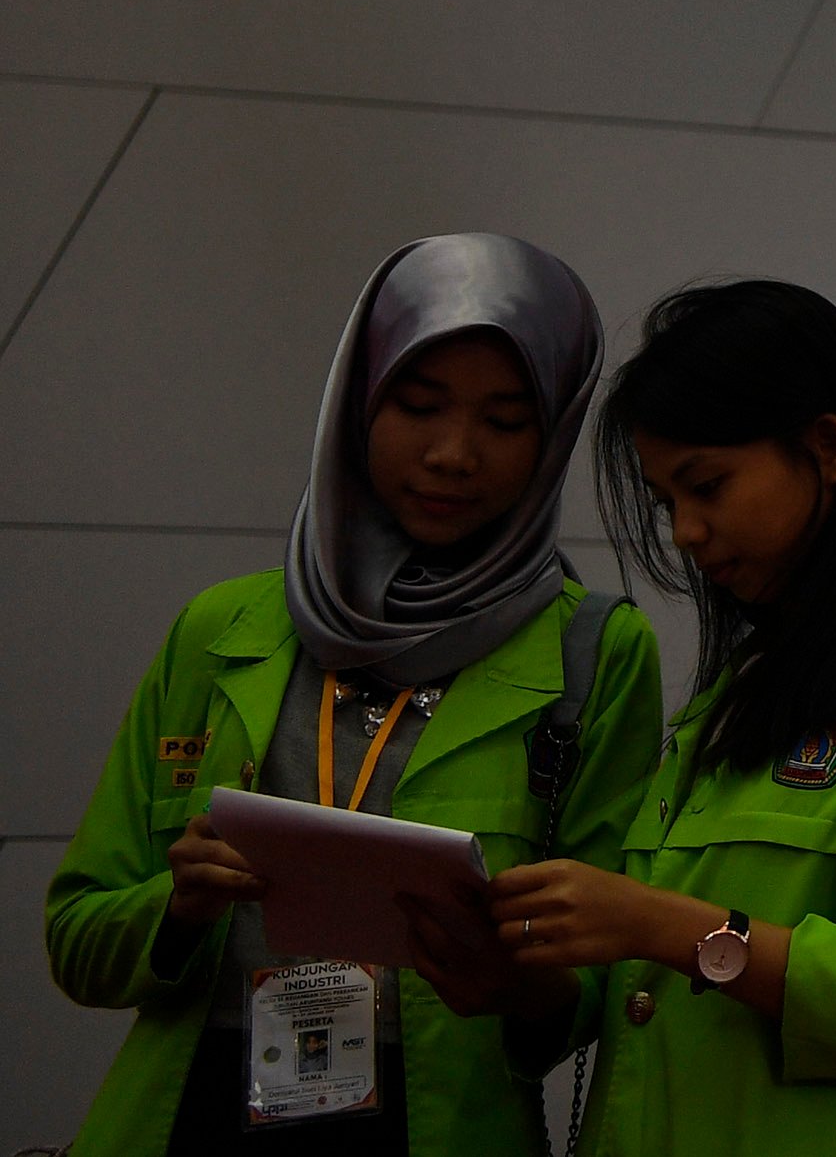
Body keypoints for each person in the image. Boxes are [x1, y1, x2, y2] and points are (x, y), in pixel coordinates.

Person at [45, 235, 664, 1155]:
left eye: (505, 421)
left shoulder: (596, 652)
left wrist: (511, 979)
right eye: (417, 406)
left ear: (555, 437)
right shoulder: (221, 629)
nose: (453, 454)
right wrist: (177, 908)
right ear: (356, 400)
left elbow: (608, 990)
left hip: (438, 1124)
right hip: (196, 1112)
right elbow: (76, 940)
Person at [483, 280, 836, 1153]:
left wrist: (660, 924)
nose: (686, 532)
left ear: (828, 448)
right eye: (667, 502)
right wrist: (521, 972)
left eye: (707, 486)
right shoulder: (741, 687)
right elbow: (647, 1002)